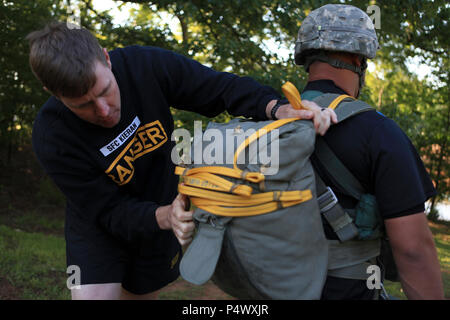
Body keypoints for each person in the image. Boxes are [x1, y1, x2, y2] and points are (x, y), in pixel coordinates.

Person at [27, 21, 334, 300]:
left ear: (107, 59)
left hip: (160, 206)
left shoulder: (144, 66)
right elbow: (107, 210)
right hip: (100, 223)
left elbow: (219, 88)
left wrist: (277, 108)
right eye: (83, 105)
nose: (104, 111)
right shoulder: (51, 135)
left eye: (105, 91)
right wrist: (165, 215)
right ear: (53, 93)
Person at [287, 4, 444, 299]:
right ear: (358, 60)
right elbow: (413, 251)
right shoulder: (379, 132)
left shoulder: (269, 122)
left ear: (306, 59)